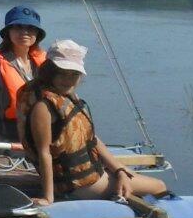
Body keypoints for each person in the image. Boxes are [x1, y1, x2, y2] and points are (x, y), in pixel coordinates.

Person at [17, 40, 167, 205]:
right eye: (62, 73)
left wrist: (119, 170)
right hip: (79, 185)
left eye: (74, 74)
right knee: (159, 185)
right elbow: (43, 152)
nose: (68, 80)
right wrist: (48, 197)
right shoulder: (43, 106)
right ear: (50, 72)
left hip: (92, 174)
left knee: (132, 177)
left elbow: (92, 139)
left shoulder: (66, 96)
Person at [0, 5, 47, 144]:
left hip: (40, 136)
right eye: (18, 27)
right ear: (8, 32)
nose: (24, 32)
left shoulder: (44, 62)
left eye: (30, 28)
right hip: (10, 137)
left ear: (37, 34)